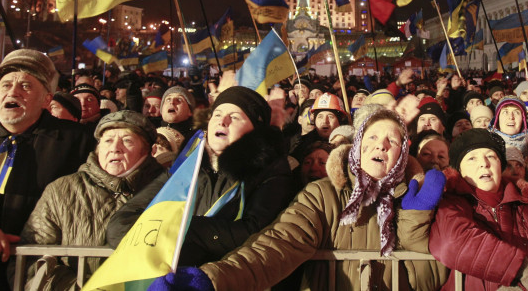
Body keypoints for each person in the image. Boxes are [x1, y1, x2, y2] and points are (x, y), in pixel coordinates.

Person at [148, 108, 448, 291]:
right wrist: (212, 281)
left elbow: (426, 281)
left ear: (403, 153)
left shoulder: (416, 200)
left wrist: (415, 219)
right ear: (356, 147)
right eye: (371, 137)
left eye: (392, 140)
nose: (380, 144)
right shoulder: (324, 195)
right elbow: (278, 246)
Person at [107, 87, 294, 267]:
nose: (222, 121)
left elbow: (255, 233)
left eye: (235, 117)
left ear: (254, 130)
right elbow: (121, 223)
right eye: (218, 114)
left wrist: (181, 230)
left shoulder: (271, 169)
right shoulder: (186, 165)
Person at [0, 49, 95, 291]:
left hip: (39, 274)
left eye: (25, 86)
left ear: (47, 99)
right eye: (5, 85)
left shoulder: (76, 142)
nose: (12, 92)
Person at [20, 111, 164, 290]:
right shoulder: (61, 190)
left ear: (147, 151)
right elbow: (31, 260)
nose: (115, 148)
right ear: (98, 148)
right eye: (108, 141)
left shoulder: (167, 189)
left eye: (127, 140)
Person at [429, 129, 528, 290]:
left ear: (500, 166)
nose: (484, 163)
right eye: (471, 158)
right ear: (460, 170)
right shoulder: (451, 203)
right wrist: (523, 270)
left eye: (491, 156)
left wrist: (522, 288)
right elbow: (451, 243)